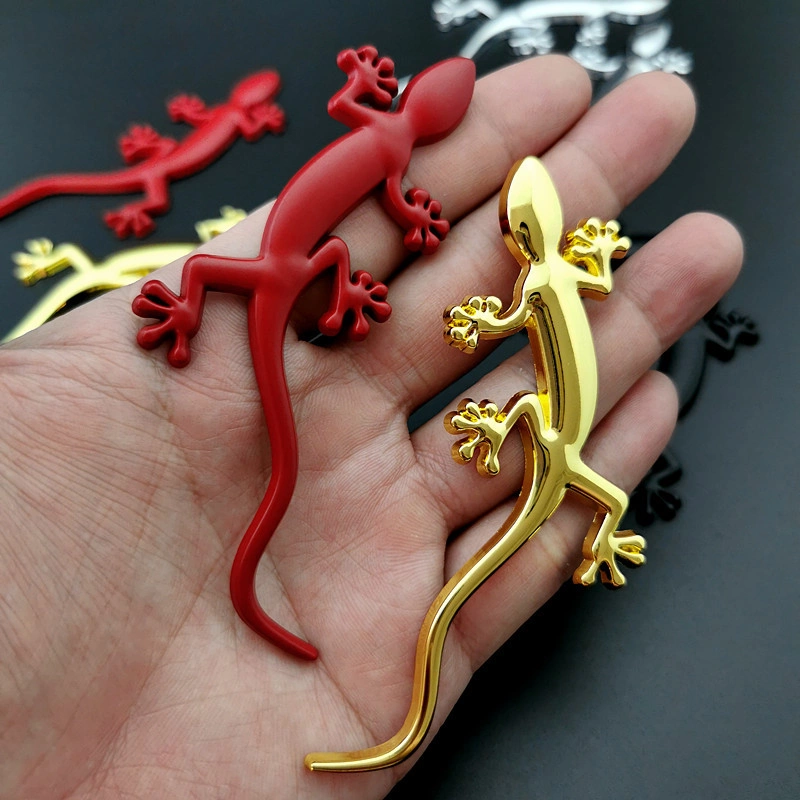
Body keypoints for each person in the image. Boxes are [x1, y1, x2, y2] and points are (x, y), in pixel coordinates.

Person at [0, 55, 741, 798]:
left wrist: (365, 96)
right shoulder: (398, 158)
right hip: (358, 301)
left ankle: (196, 308)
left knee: (242, 329)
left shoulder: (380, 130)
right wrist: (389, 247)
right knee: (304, 438)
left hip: (317, 285)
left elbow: (365, 141)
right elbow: (394, 198)